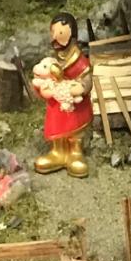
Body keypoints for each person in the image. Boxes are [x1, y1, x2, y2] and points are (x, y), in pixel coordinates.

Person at [31, 12, 93, 177]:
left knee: (75, 130)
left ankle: (75, 153)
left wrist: (80, 87)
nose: (55, 38)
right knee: (56, 126)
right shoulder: (55, 59)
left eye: (60, 33)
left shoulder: (79, 60)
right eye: (53, 33)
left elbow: (87, 78)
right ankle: (58, 152)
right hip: (57, 105)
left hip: (75, 106)